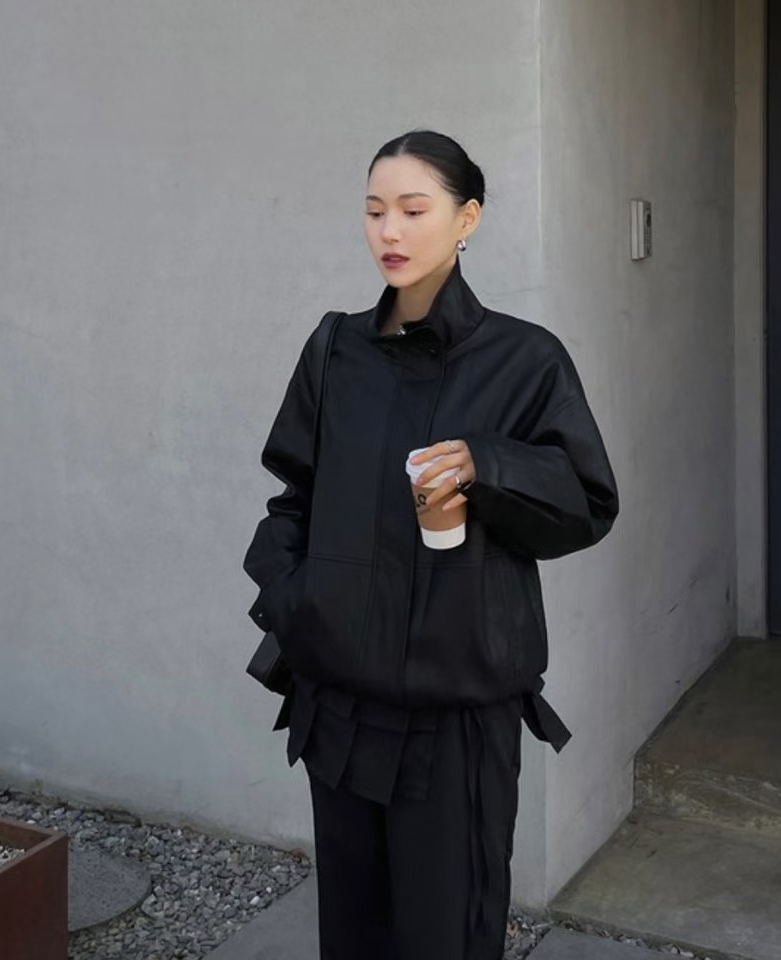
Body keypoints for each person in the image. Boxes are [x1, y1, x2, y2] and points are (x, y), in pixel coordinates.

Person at [243, 130, 619, 960]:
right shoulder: (335, 349)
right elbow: (292, 496)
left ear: (467, 219)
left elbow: (588, 504)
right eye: (375, 211)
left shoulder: (525, 360)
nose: (390, 231)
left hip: (455, 718)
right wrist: (296, 601)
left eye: (414, 210)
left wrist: (489, 465)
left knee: (446, 936)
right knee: (353, 935)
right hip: (339, 701)